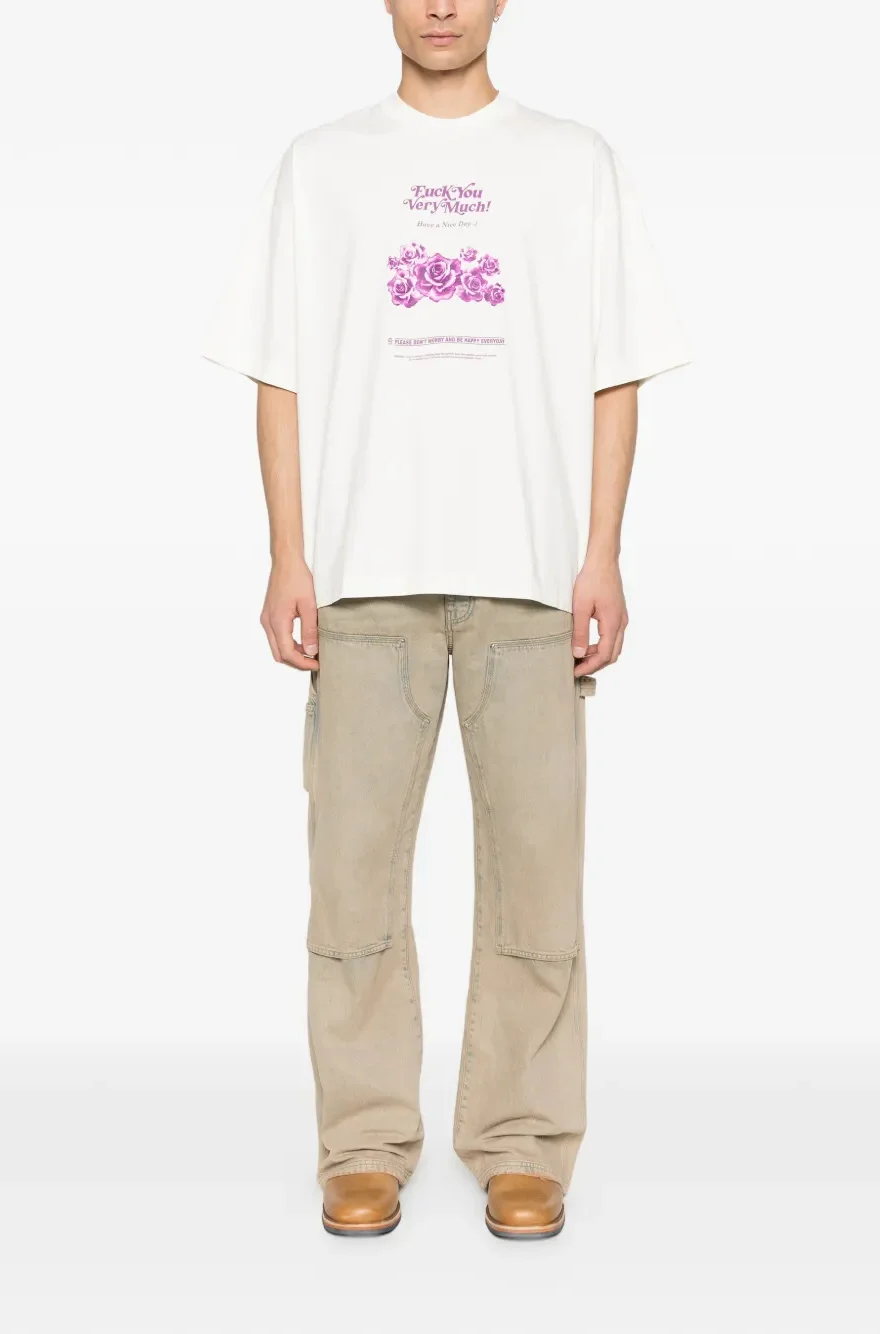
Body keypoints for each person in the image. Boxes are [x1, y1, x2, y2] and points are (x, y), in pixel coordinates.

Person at [202, 0, 689, 1240]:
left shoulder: (573, 161)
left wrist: (601, 551)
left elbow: (615, 370)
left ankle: (522, 1137)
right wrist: (287, 553)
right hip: (364, 572)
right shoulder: (321, 164)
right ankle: (361, 1139)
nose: (439, 6)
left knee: (537, 878)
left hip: (529, 570)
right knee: (351, 883)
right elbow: (278, 373)